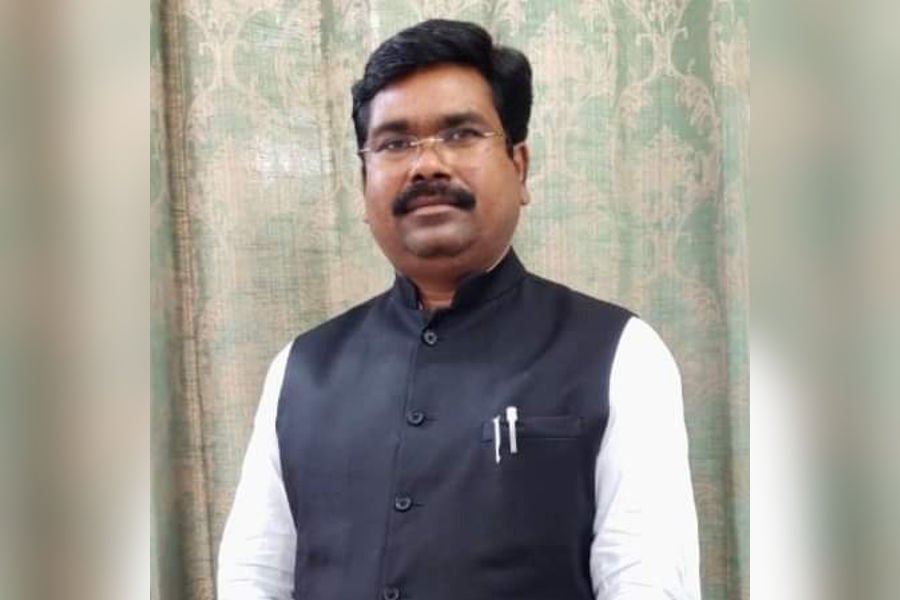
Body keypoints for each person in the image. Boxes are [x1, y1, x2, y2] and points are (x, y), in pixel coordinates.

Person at [217, 19, 700, 600]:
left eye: (461, 133)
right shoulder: (300, 369)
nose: (427, 166)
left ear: (519, 167)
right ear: (364, 182)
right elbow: (255, 578)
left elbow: (647, 582)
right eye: (395, 144)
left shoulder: (622, 353)